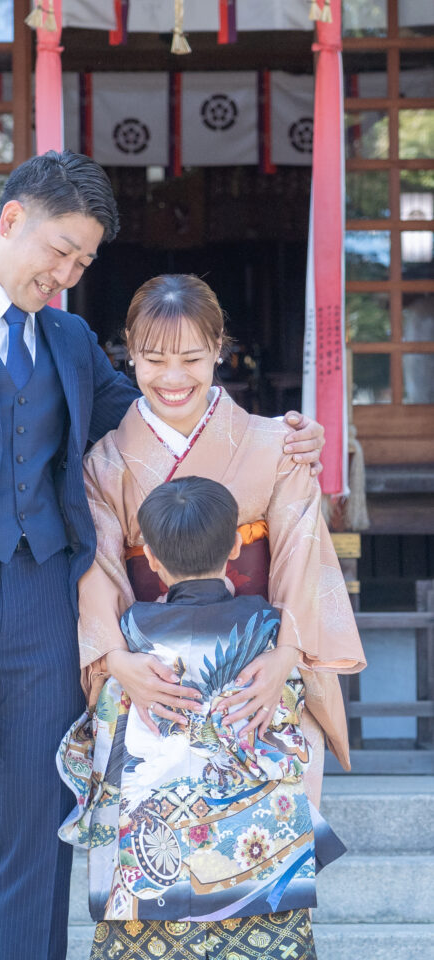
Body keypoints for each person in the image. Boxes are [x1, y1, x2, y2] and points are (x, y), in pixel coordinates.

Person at [0, 153, 325, 960]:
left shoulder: (66, 338)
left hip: (41, 607)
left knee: (39, 826)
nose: (67, 273)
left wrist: (280, 434)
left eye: (84, 261)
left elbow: (161, 416)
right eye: (59, 250)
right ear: (10, 219)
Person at [77, 274, 366, 813]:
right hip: (153, 683)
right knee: (154, 856)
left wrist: (286, 656)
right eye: (154, 359)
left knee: (262, 853)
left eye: (191, 357)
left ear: (217, 349)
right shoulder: (106, 462)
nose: (173, 377)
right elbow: (100, 570)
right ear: (129, 354)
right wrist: (116, 661)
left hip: (261, 682)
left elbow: (301, 555)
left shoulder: (279, 444)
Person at [58, 476, 346, 960]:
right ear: (237, 545)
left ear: (148, 557)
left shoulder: (129, 644)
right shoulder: (273, 638)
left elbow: (108, 746)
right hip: (255, 851)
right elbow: (293, 738)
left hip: (154, 860)